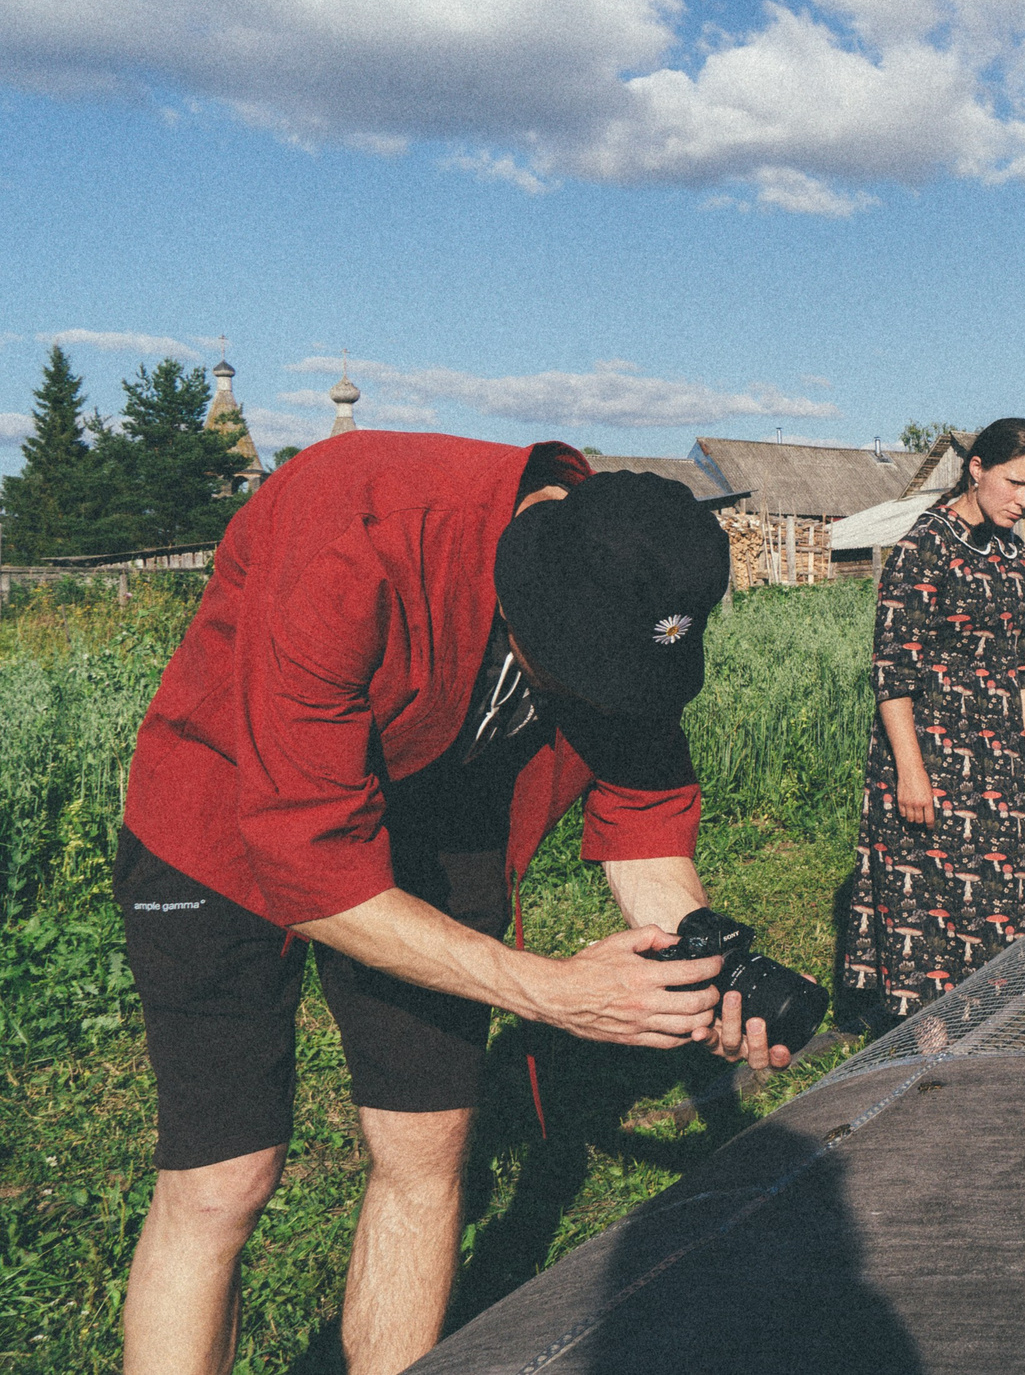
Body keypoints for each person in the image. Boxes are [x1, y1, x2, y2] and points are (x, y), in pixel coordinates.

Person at [115, 434, 773, 1375]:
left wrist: (700, 966)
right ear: (524, 592)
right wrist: (544, 990)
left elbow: (643, 817)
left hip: (433, 821)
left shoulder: (627, 582)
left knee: (427, 1150)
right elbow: (309, 861)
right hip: (220, 826)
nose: (596, 698)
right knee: (224, 1179)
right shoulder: (357, 531)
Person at [840, 418, 1025, 1040]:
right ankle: (924, 1035)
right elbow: (892, 670)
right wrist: (910, 767)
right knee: (929, 889)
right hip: (930, 745)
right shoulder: (922, 548)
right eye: (1015, 483)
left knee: (995, 885)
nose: (1024, 500)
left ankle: (980, 1019)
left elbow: (1019, 652)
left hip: (996, 746)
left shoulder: (1013, 551)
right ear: (977, 468)